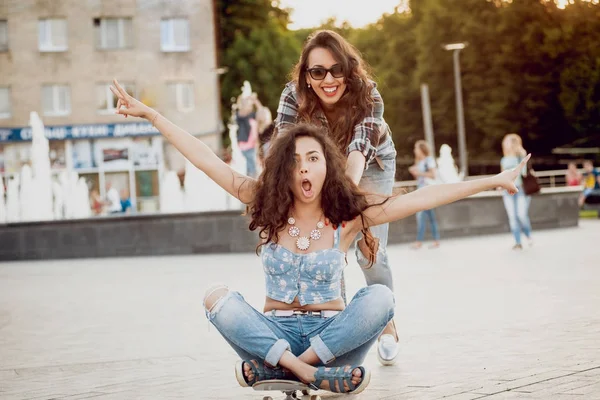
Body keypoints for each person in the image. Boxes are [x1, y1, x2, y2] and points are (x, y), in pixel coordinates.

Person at [109, 79, 528, 394]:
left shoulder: (346, 218)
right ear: (284, 171)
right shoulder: (265, 205)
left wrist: (493, 180)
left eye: (313, 158)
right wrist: (152, 115)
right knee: (216, 297)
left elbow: (423, 197)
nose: (305, 168)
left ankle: (286, 371)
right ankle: (309, 376)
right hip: (272, 333)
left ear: (327, 165)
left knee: (381, 298)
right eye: (295, 161)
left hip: (332, 341)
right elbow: (203, 159)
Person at [274, 30, 400, 365]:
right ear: (306, 75)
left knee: (369, 250)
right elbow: (282, 148)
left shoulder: (368, 93)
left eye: (336, 70)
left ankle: (385, 319)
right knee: (329, 247)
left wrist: (341, 206)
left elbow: (359, 151)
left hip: (371, 164)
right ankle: (336, 332)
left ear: (348, 68)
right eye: (318, 72)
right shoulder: (293, 95)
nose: (328, 79)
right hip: (322, 166)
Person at [500, 133, 533, 250]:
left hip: (520, 189)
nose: (507, 144)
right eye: (506, 142)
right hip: (507, 192)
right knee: (512, 217)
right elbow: (502, 175)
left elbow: (523, 173)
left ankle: (528, 235)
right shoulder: (503, 160)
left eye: (509, 141)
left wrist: (523, 156)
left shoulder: (520, 157)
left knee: (521, 215)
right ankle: (518, 242)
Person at [409, 140, 441, 249]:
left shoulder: (429, 160)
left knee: (421, 216)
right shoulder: (419, 162)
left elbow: (433, 175)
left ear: (421, 149)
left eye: (416, 148)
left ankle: (419, 241)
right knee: (430, 216)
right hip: (421, 190)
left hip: (427, 191)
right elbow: (419, 177)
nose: (414, 150)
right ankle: (436, 240)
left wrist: (418, 173)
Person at [235, 95, 259, 178]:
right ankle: (254, 184)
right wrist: (245, 100)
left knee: (250, 167)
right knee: (252, 167)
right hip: (245, 145)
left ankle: (250, 183)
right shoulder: (240, 116)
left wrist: (255, 101)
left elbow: (262, 112)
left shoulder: (251, 115)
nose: (250, 106)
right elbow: (242, 111)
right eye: (248, 104)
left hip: (252, 145)